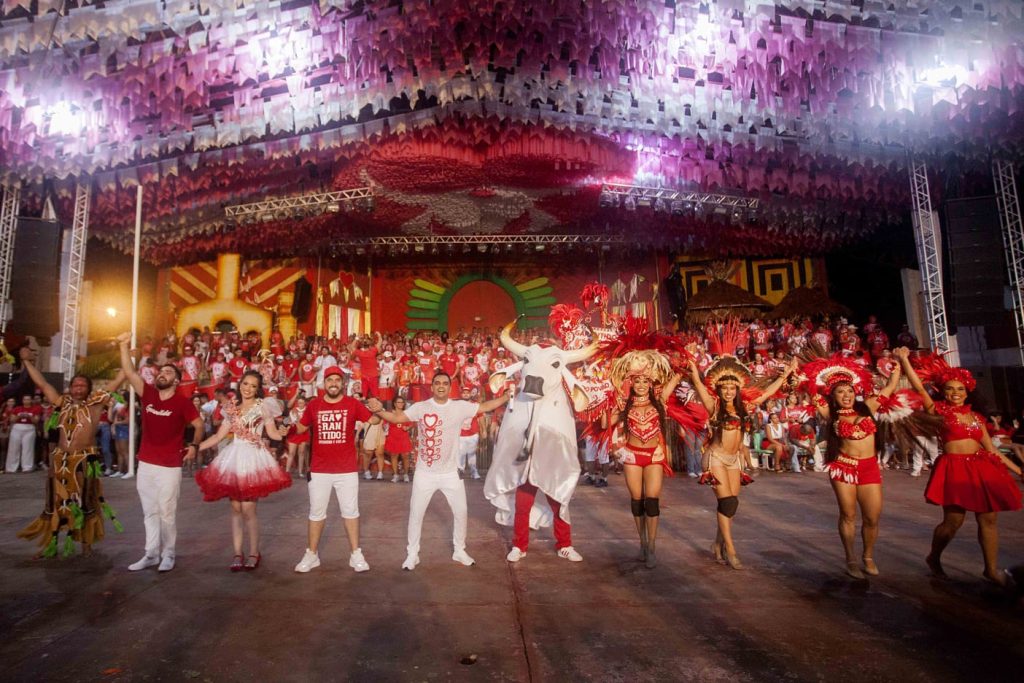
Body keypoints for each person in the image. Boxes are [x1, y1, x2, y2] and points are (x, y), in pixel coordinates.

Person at [896, 349, 1023, 585]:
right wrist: (904, 361)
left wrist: (1018, 471)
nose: (955, 393)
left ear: (967, 392)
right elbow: (920, 389)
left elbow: (991, 450)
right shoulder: (939, 411)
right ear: (943, 392)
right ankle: (934, 557)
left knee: (988, 519)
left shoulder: (976, 418)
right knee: (953, 522)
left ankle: (991, 570)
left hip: (982, 468)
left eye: (960, 389)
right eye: (950, 389)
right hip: (954, 469)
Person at [369, 371, 510, 570]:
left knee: (461, 512)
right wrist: (379, 410)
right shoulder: (421, 407)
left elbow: (485, 406)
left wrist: (506, 396)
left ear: (450, 386)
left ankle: (459, 550)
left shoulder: (460, 407)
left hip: (451, 473)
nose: (441, 386)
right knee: (416, 514)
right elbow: (397, 417)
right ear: (432, 386)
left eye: (445, 383)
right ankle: (413, 554)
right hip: (425, 473)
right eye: (437, 383)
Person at [687, 332, 797, 570]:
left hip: (734, 460)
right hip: (715, 457)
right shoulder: (713, 406)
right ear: (719, 389)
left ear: (737, 389)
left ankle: (717, 543)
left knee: (731, 505)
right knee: (726, 503)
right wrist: (693, 368)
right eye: (724, 388)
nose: (728, 392)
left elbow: (767, 394)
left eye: (731, 388)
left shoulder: (745, 406)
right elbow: (697, 384)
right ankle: (731, 550)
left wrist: (786, 375)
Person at [17, 351, 126, 556]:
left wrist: (124, 350)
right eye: (75, 385)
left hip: (85, 459)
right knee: (55, 502)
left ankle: (86, 545)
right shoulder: (61, 402)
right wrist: (25, 361)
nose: (78, 389)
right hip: (60, 459)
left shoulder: (95, 404)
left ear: (88, 389)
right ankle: (52, 545)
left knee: (86, 501)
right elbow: (42, 383)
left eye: (82, 386)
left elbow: (119, 380)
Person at [802, 353, 900, 579]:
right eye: (840, 392)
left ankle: (868, 556)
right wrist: (802, 374)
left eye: (849, 391)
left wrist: (899, 363)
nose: (846, 395)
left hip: (869, 468)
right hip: (843, 468)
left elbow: (890, 387)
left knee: (872, 518)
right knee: (848, 514)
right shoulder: (829, 413)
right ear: (833, 395)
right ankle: (851, 558)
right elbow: (811, 390)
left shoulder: (868, 407)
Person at [117, 332, 204, 572]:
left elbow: (199, 425)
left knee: (167, 511)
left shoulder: (183, 403)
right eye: (161, 372)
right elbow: (129, 371)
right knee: (149, 511)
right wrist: (123, 346)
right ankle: (151, 553)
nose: (161, 375)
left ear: (176, 380)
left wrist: (194, 445)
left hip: (170, 465)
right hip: (146, 463)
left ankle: (169, 553)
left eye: (167, 373)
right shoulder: (149, 394)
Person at [195, 371, 292, 571]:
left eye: (253, 385)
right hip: (234, 458)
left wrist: (282, 433)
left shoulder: (263, 406)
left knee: (248, 509)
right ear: (240, 384)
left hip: (253, 459)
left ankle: (254, 553)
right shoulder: (231, 408)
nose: (248, 388)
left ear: (258, 389)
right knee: (236, 509)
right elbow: (218, 437)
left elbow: (272, 432)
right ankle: (238, 553)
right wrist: (195, 447)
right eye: (245, 383)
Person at [292, 366, 373, 573]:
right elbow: (300, 427)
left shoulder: (352, 403)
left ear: (343, 384)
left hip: (346, 469)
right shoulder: (314, 405)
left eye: (337, 380)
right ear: (324, 383)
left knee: (351, 512)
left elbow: (372, 419)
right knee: (316, 514)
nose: (334, 383)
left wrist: (377, 409)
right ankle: (312, 554)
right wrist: (286, 420)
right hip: (319, 469)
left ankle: (355, 554)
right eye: (330, 380)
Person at [609, 350, 682, 569]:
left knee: (652, 502)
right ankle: (641, 541)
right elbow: (606, 424)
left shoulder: (660, 400)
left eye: (644, 381)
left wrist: (680, 361)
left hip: (654, 456)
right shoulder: (624, 405)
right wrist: (606, 400)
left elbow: (676, 376)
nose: (640, 385)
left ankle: (651, 545)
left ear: (651, 384)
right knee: (637, 501)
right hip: (632, 456)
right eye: (637, 381)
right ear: (631, 383)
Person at [381, 396, 414, 483]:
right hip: (393, 437)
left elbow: (411, 424)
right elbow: (385, 424)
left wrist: (407, 427)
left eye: (402, 402)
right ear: (394, 404)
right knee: (394, 456)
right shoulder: (390, 413)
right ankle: (396, 475)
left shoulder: (406, 413)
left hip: (403, 437)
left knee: (405, 456)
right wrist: (384, 427)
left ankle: (406, 475)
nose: (400, 404)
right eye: (399, 402)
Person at [5, 393, 41, 473]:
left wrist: (29, 416)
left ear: (31, 400)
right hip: (17, 427)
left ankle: (27, 467)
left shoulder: (36, 409)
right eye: (25, 399)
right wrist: (19, 416)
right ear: (22, 400)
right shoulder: (17, 408)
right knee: (14, 447)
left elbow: (36, 420)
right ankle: (11, 468)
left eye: (28, 399)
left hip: (29, 427)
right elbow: (12, 420)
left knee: (28, 448)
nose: (26, 401)